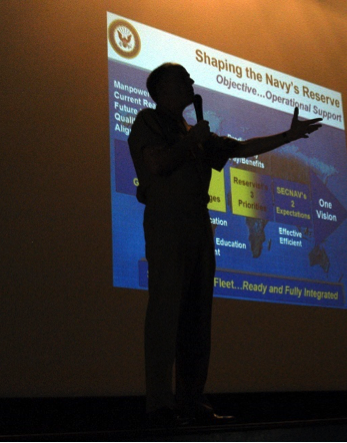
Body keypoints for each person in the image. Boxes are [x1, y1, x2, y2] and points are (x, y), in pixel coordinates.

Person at [128, 63, 322, 427]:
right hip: (167, 221)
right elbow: (155, 165)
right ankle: (159, 405)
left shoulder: (194, 130)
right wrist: (190, 140)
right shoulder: (147, 121)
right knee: (166, 311)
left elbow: (241, 148)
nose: (191, 82)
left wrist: (288, 136)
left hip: (200, 224)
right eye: (183, 78)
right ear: (162, 88)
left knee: (198, 316)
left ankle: (191, 400)